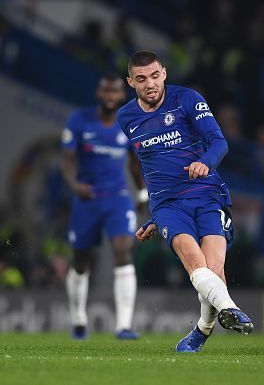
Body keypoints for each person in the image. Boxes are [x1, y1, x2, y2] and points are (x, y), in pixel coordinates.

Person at [117, 50, 253, 353]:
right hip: (167, 205)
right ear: (131, 82)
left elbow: (219, 142)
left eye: (154, 76)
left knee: (213, 270)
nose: (150, 84)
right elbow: (149, 165)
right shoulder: (126, 118)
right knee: (194, 262)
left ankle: (202, 330)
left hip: (207, 194)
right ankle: (231, 309)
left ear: (164, 73)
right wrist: (154, 215)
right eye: (141, 79)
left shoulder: (187, 99)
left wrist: (206, 162)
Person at [61, 73, 147, 340]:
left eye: (115, 92)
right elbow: (66, 159)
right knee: (80, 261)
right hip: (86, 199)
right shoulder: (79, 119)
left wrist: (143, 194)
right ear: (99, 94)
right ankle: (78, 318)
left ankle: (123, 325)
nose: (110, 97)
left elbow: (134, 163)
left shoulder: (126, 123)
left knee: (123, 251)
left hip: (117, 198)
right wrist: (74, 184)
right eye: (106, 92)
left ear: (122, 96)